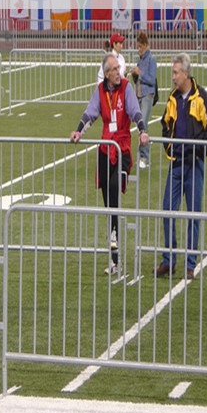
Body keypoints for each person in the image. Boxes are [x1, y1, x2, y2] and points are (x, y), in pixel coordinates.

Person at [70, 53, 149, 275]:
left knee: (114, 192)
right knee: (108, 206)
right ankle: (115, 259)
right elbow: (90, 113)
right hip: (105, 149)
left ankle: (117, 257)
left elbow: (135, 111)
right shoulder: (100, 91)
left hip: (121, 148)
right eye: (114, 69)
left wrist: (143, 130)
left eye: (119, 69)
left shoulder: (126, 88)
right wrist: (78, 131)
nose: (118, 72)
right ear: (106, 74)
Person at [155, 52, 207, 280]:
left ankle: (190, 264)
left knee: (193, 214)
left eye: (175, 73)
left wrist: (197, 152)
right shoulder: (172, 98)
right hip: (176, 165)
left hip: (194, 165)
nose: (172, 77)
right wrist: (169, 148)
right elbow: (165, 124)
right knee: (167, 211)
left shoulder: (201, 98)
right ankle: (168, 260)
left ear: (186, 73)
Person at [130, 31, 157, 169]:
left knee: (144, 125)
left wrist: (140, 73)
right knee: (140, 125)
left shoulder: (151, 59)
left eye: (141, 46)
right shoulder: (139, 59)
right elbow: (137, 80)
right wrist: (134, 74)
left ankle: (145, 158)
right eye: (138, 47)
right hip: (139, 95)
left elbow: (151, 80)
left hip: (148, 95)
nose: (139, 49)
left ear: (146, 45)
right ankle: (141, 155)